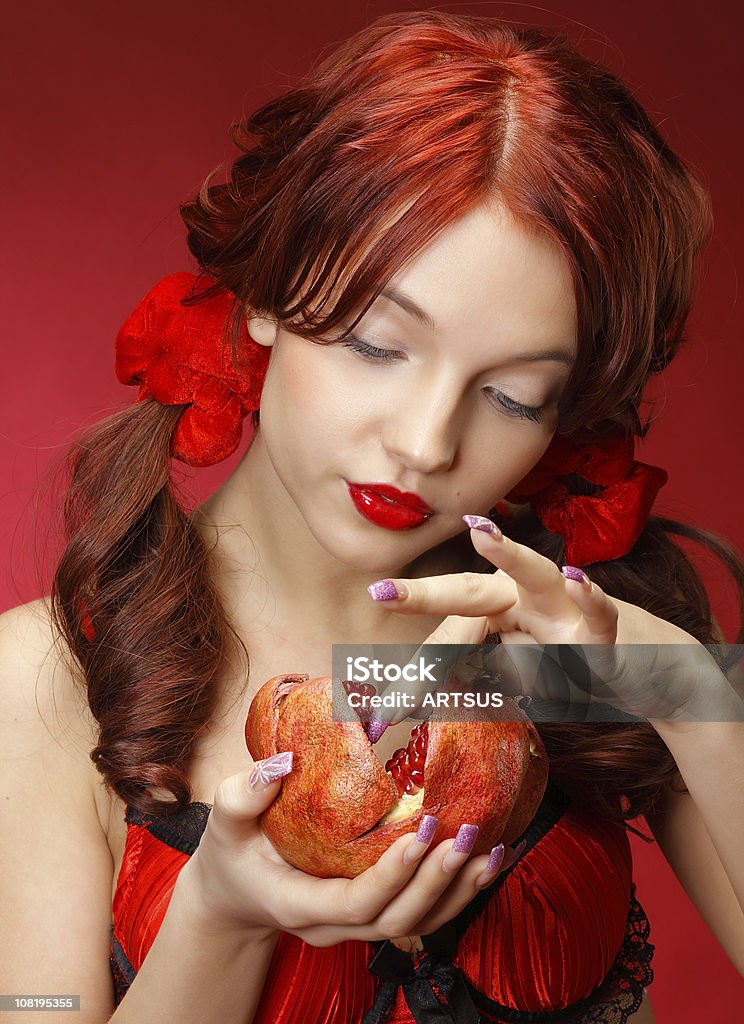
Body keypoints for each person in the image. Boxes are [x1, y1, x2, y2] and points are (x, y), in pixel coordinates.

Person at [1, 9, 743, 1024]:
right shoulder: (46, 680)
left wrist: (677, 680)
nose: (428, 442)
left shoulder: (577, 641)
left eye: (513, 395)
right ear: (263, 295)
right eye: (379, 344)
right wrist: (220, 913)